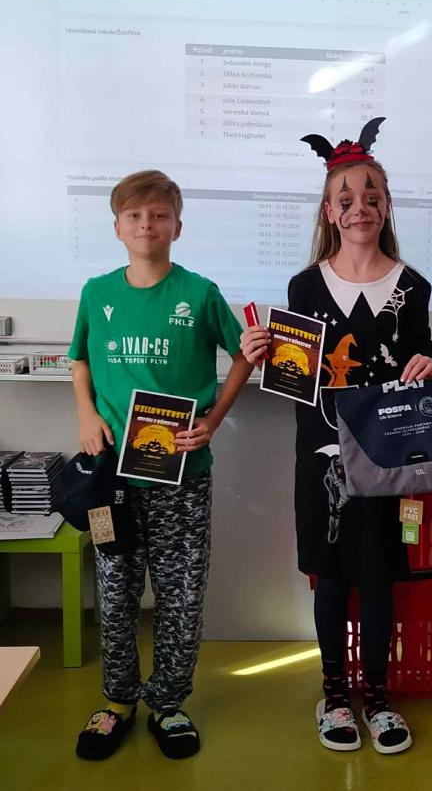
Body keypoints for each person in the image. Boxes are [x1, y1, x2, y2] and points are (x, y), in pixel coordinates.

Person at [241, 119, 432, 755]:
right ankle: (334, 695)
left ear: (387, 207)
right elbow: (295, 376)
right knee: (330, 577)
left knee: (381, 577)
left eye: (372, 196)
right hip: (323, 459)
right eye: (346, 198)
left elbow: (420, 356)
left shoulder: (412, 287)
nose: (360, 207)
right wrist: (262, 353)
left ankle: (378, 699)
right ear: (330, 212)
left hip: (388, 462)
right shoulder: (305, 286)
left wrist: (429, 368)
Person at [69, 170, 252, 760]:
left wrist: (213, 419)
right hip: (110, 480)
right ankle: (118, 700)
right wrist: (86, 415)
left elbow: (244, 355)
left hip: (182, 478)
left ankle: (168, 703)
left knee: (181, 593)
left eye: (158, 215)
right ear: (117, 227)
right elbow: (79, 361)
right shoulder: (96, 292)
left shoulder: (199, 292)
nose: (146, 224)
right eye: (134, 215)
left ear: (177, 225)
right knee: (115, 589)